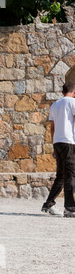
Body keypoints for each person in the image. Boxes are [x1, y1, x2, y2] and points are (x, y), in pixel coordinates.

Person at [41, 68, 75, 218]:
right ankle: (69, 208)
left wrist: (54, 145)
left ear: (63, 91)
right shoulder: (73, 102)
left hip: (58, 142)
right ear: (74, 91)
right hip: (69, 142)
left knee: (61, 175)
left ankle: (48, 205)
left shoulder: (54, 105)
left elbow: (52, 127)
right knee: (70, 175)